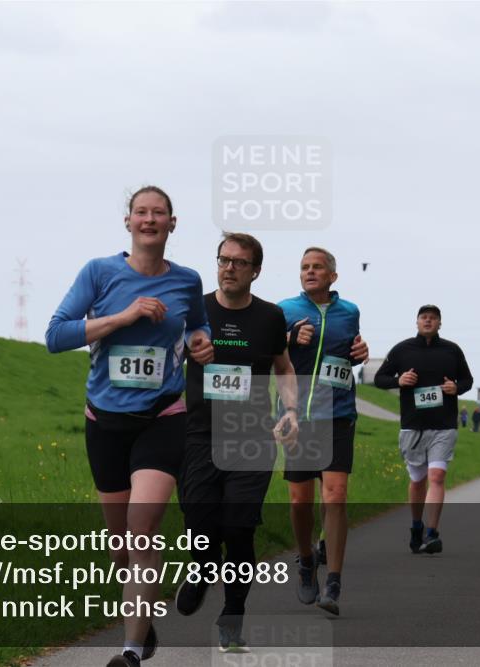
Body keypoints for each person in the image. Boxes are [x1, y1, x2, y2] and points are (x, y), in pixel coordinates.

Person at [45, 186, 214, 667]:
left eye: (158, 213)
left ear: (172, 224)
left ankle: (130, 651)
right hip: (104, 419)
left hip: (162, 416)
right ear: (128, 222)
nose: (149, 219)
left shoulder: (186, 280)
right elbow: (56, 335)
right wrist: (125, 315)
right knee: (120, 544)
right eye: (141, 212)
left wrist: (202, 344)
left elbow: (197, 327)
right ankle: (143, 621)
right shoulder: (99, 273)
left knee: (143, 532)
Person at [176, 233, 300, 653]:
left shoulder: (269, 317)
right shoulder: (197, 311)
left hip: (252, 437)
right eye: (223, 260)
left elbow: (283, 368)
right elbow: (168, 358)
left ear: (255, 270)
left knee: (238, 528)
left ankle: (232, 618)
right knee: (199, 523)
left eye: (239, 262)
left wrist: (290, 410)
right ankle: (202, 568)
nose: (229, 268)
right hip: (198, 435)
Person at [279, 247, 369, 616]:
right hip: (298, 417)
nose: (310, 272)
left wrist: (361, 351)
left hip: (338, 414)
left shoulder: (350, 311)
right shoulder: (285, 309)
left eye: (317, 267)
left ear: (333, 276)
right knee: (300, 501)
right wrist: (287, 339)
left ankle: (333, 582)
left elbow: (350, 352)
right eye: (304, 267)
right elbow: (268, 354)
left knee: (335, 496)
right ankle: (305, 560)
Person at [374, 304, 473, 555]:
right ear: (417, 322)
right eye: (424, 317)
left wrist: (456, 388)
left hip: (444, 425)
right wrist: (399, 381)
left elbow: (468, 380)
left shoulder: (452, 350)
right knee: (417, 480)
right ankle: (416, 526)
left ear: (440, 323)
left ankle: (432, 533)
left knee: (436, 476)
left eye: (433, 318)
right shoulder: (402, 350)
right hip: (413, 427)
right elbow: (379, 379)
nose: (428, 321)